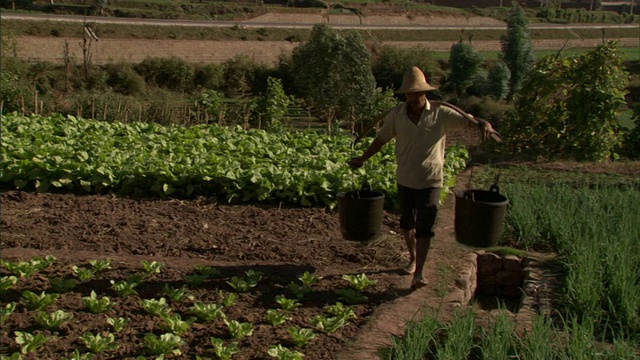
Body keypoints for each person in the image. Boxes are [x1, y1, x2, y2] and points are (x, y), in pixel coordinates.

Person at [348, 66, 497, 290]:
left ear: (425, 92)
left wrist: (483, 123)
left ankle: (419, 273)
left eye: (418, 93)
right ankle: (412, 257)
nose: (414, 97)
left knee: (425, 227)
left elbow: (469, 120)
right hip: (405, 178)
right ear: (405, 94)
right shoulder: (397, 114)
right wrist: (362, 158)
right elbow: (381, 140)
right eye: (410, 93)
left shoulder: (441, 112)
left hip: (431, 180)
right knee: (407, 224)